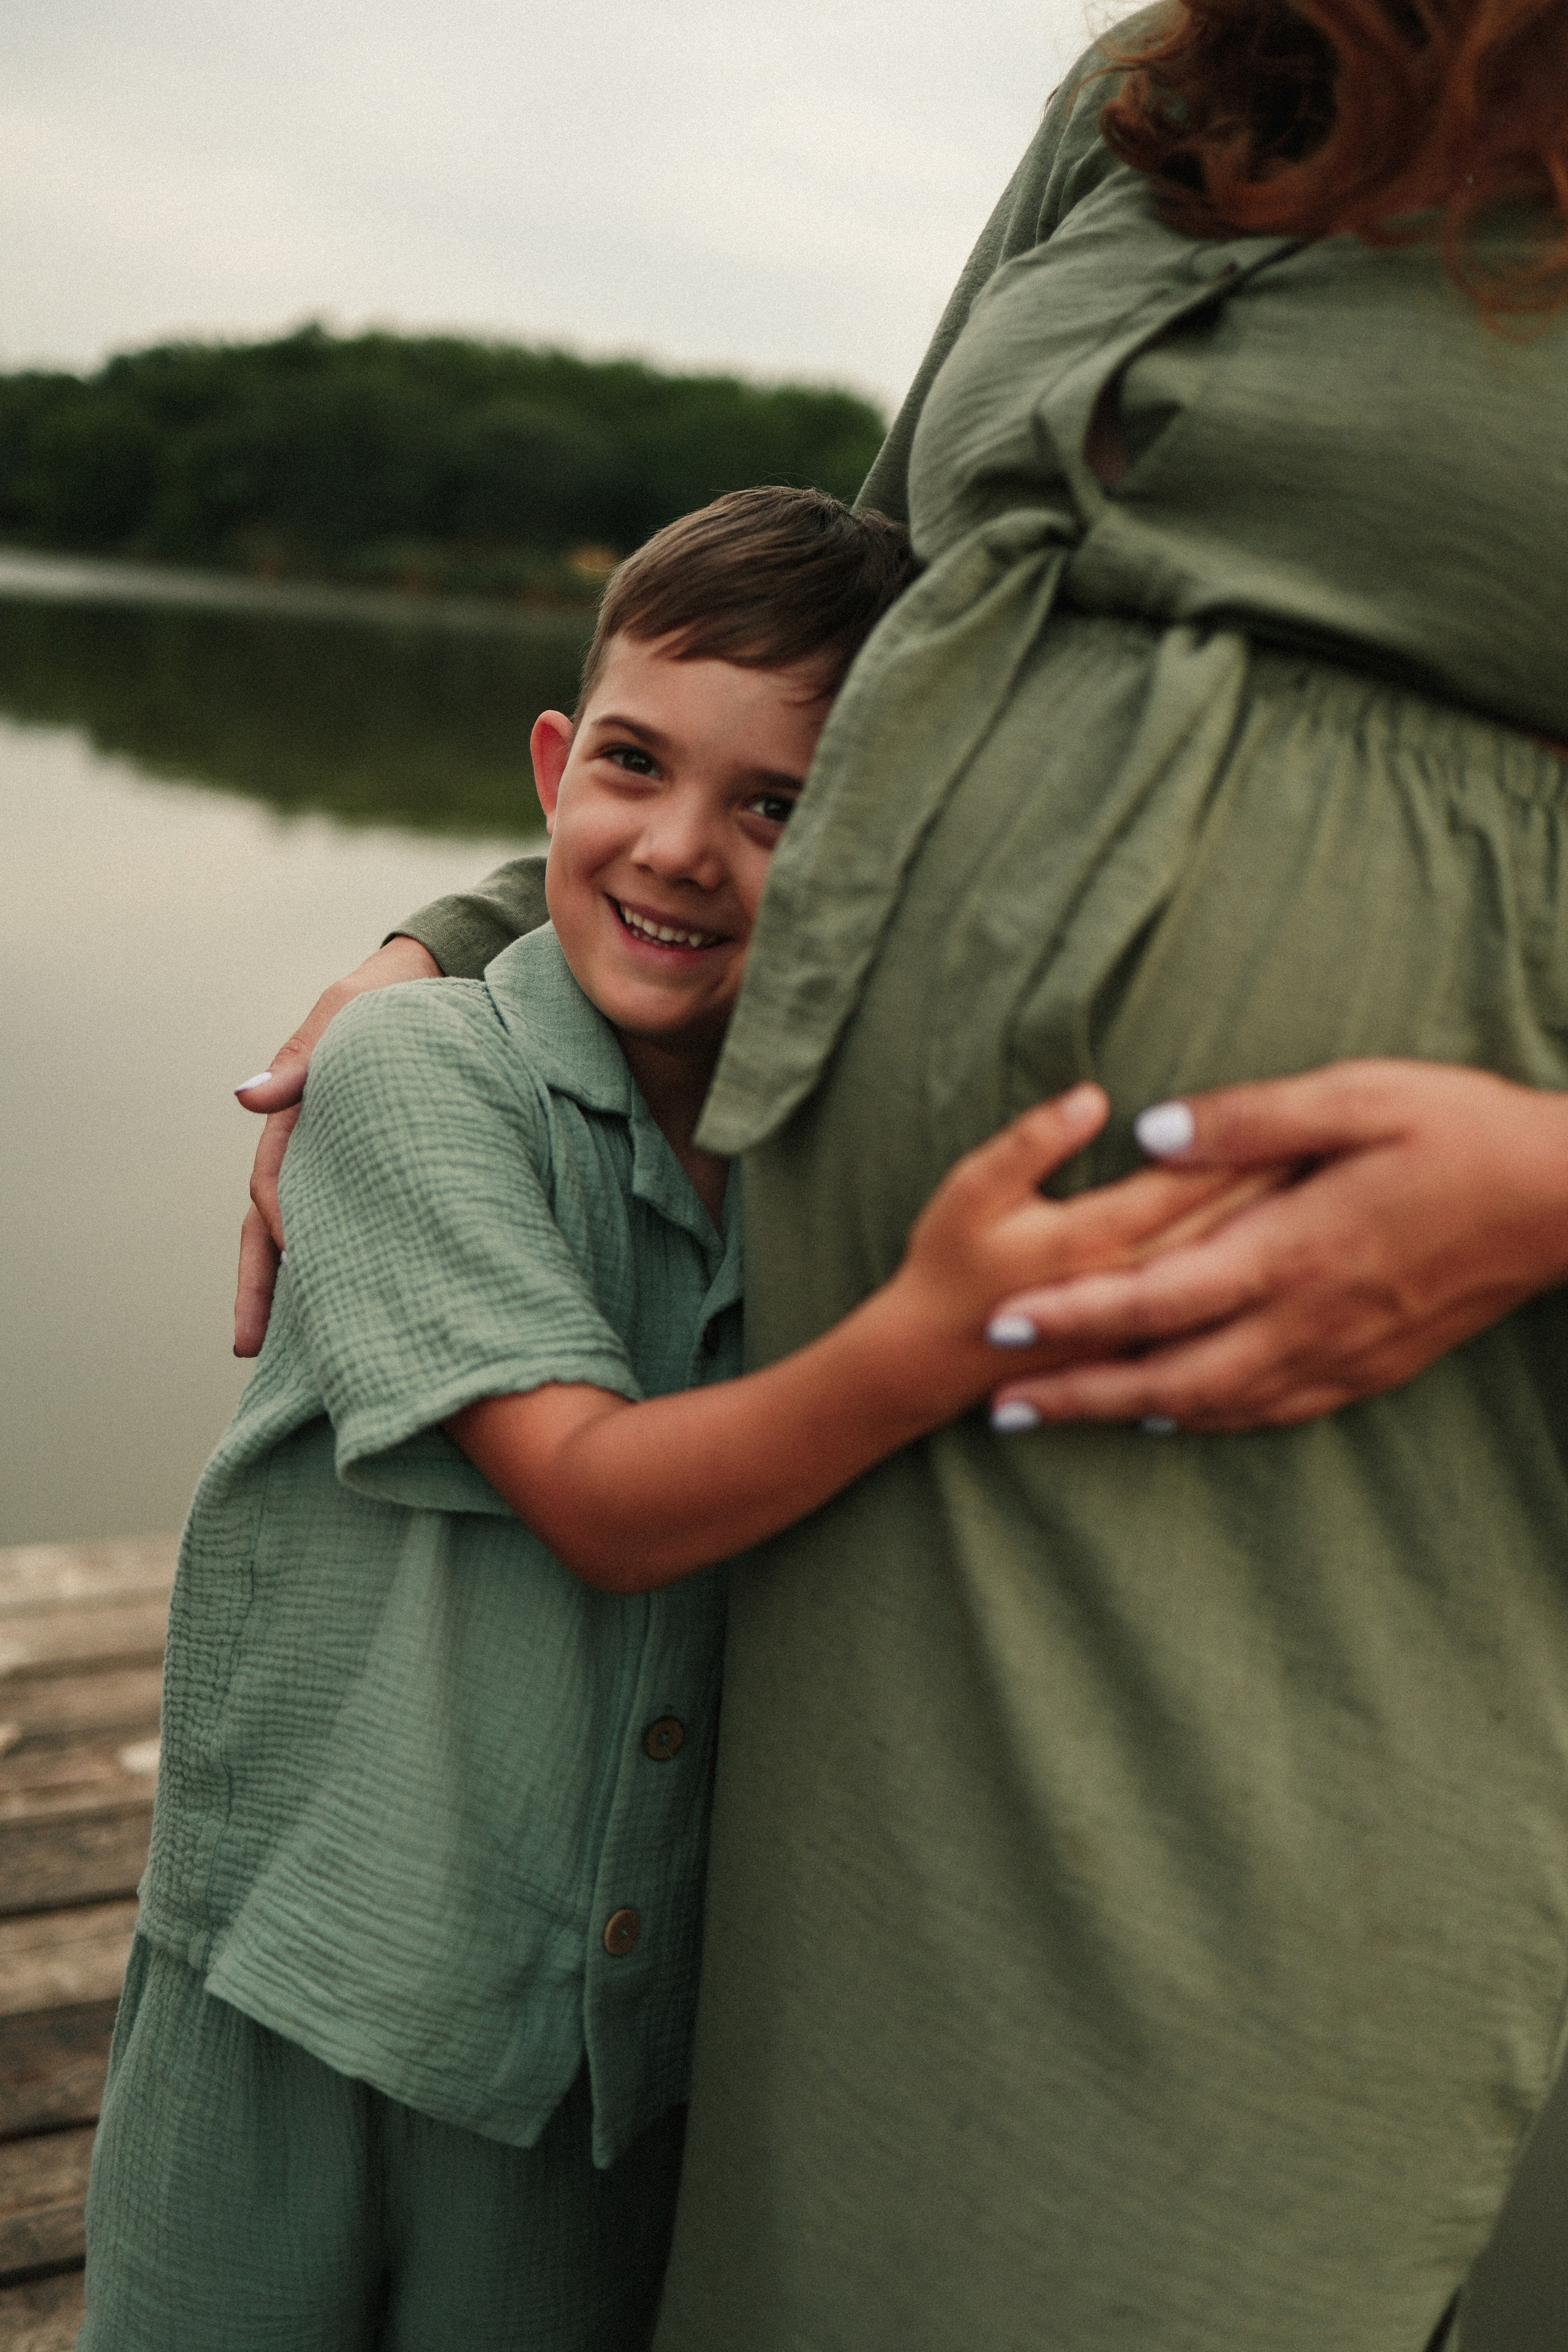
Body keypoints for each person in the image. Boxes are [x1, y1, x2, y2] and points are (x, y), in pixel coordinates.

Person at [232, 5, 1568, 2345]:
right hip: (877, 1509)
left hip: (1359, 1477)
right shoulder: (1178, 76)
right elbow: (859, 633)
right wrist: (454, 943)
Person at [85, 486, 1253, 2352]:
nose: (682, 850)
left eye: (778, 806)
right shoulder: (419, 1072)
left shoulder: (829, 1152)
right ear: (554, 766)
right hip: (295, 1985)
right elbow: (603, 1505)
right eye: (633, 765)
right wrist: (937, 1334)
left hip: (603, 2058)